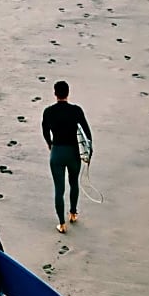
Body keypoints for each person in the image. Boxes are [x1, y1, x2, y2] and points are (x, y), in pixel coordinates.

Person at [42, 79, 92, 233]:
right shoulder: (76, 110)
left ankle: (62, 224)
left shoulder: (49, 111)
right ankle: (73, 214)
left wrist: (50, 144)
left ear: (55, 93)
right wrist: (89, 151)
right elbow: (87, 133)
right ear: (68, 93)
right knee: (74, 183)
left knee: (59, 189)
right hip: (73, 151)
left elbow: (45, 131)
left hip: (57, 152)